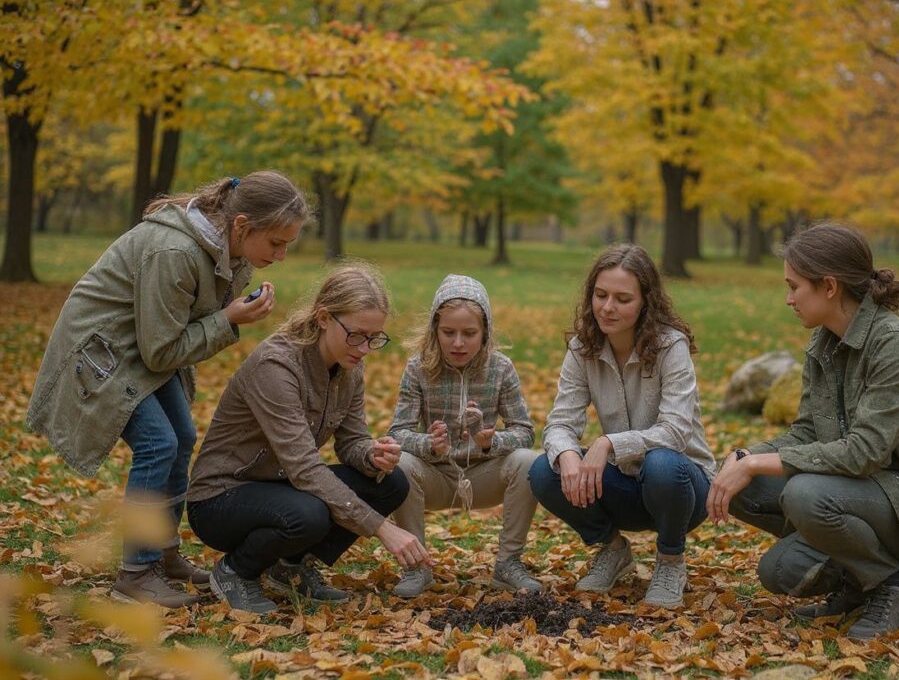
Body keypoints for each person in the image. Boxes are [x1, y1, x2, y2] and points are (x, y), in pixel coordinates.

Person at [26, 171, 307, 607]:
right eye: (276, 242)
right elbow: (161, 352)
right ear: (241, 225)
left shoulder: (227, 250)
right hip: (106, 352)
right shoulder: (174, 251)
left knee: (182, 438)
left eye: (288, 243)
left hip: (141, 346)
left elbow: (174, 331)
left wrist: (229, 312)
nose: (282, 255)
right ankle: (134, 575)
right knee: (158, 443)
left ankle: (163, 553)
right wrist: (229, 319)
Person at [707, 223, 899, 639]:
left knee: (804, 494)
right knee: (745, 502)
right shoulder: (824, 342)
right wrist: (745, 456)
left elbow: (865, 452)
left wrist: (759, 462)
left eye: (794, 287)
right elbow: (807, 431)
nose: (788, 299)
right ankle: (858, 581)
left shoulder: (896, 345)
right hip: (854, 490)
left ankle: (895, 581)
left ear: (828, 286)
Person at [187, 265, 430, 614]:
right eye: (357, 335)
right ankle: (235, 572)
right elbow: (304, 468)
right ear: (324, 317)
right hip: (221, 499)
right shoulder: (276, 366)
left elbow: (351, 442)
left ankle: (288, 569)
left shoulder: (349, 367)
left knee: (388, 483)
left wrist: (371, 455)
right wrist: (381, 529)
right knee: (309, 513)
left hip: (283, 487)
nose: (364, 348)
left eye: (374, 338)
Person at [529, 244, 716, 609]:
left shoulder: (669, 346)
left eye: (622, 298)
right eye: (600, 295)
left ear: (646, 302)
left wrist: (608, 444)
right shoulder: (583, 347)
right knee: (542, 470)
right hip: (625, 487)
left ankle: (670, 561)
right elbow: (560, 423)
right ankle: (613, 550)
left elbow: (677, 431)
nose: (607, 307)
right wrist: (568, 454)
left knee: (662, 462)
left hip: (683, 488)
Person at [387, 275, 539, 597]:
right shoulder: (418, 368)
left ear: (485, 333)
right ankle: (417, 568)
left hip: (484, 475)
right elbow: (397, 434)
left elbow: (525, 432)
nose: (458, 343)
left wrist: (492, 442)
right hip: (436, 476)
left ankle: (508, 565)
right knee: (400, 463)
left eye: (469, 333)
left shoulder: (501, 369)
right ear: (434, 330)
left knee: (528, 462)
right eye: (448, 333)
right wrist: (429, 444)